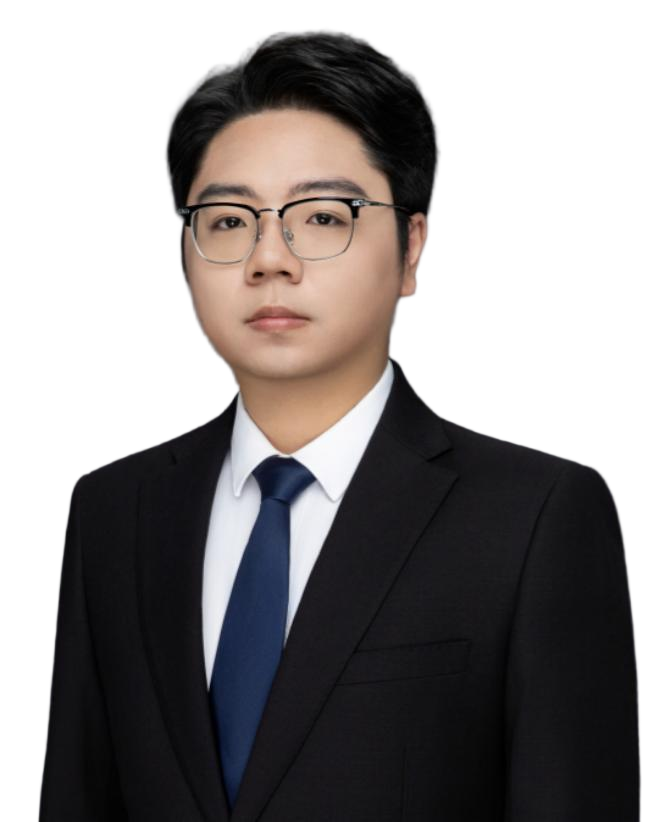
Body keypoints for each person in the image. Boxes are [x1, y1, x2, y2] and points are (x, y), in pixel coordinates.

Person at [36, 25, 643, 821]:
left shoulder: (535, 514)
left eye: (322, 217)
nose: (269, 258)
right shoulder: (114, 508)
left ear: (412, 249)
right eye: (228, 221)